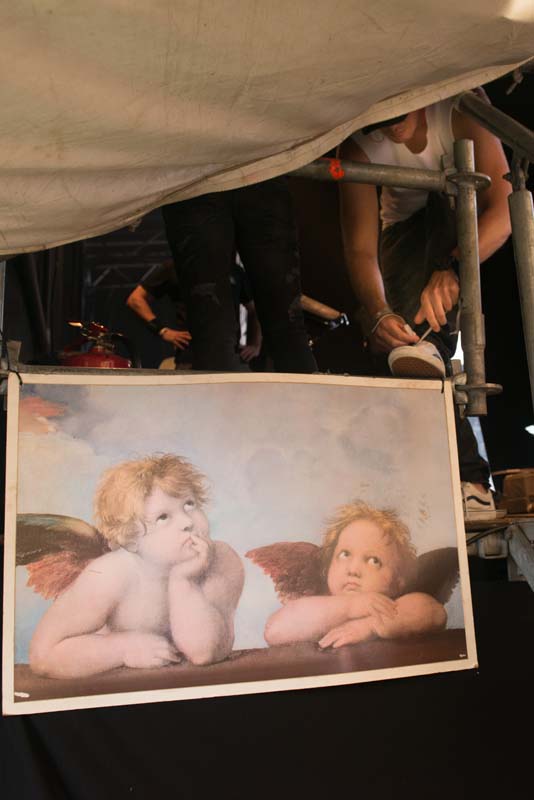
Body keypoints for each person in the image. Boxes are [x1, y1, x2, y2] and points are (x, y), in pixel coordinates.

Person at [338, 94, 512, 519]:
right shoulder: (357, 147)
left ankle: (471, 478)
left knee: (448, 202)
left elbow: (507, 212)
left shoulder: (460, 112)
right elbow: (360, 250)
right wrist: (379, 312)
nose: (392, 128)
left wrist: (452, 267)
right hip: (403, 239)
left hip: (463, 228)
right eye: (381, 123)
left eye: (399, 116)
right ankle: (464, 480)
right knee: (403, 357)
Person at [29, 454, 244, 678]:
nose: (187, 522)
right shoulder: (109, 574)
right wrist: (122, 649)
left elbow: (205, 652)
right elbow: (43, 656)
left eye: (190, 504)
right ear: (130, 540)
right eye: (163, 517)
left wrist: (184, 580)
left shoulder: (221, 559)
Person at [161, 178, 317, 373]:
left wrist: (254, 342)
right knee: (284, 323)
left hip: (200, 178)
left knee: (216, 330)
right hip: (215, 176)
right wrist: (162, 330)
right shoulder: (165, 270)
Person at [264, 501, 446, 648]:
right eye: (345, 554)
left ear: (398, 581)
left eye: (373, 561)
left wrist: (371, 626)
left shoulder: (392, 607)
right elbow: (274, 631)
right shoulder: (318, 607)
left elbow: (435, 613)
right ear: (329, 566)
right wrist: (350, 607)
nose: (353, 569)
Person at [126, 258, 262, 368]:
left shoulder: (233, 269)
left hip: (231, 357)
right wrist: (162, 330)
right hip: (191, 358)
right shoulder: (175, 266)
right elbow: (135, 299)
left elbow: (253, 309)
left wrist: (255, 344)